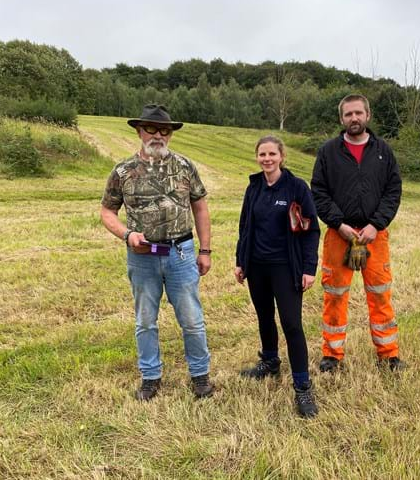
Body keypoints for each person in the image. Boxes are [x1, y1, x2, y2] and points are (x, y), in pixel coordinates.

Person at [100, 104, 215, 401]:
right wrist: (127, 235)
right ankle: (150, 377)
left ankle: (200, 376)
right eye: (151, 129)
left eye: (164, 130)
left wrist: (204, 250)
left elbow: (200, 207)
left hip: (181, 252)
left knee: (191, 319)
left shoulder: (185, 167)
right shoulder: (123, 171)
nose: (157, 135)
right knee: (145, 321)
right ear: (139, 131)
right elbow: (107, 211)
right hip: (142, 258)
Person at [311, 94, 406, 373]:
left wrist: (376, 225)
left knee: (379, 294)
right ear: (341, 119)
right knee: (335, 295)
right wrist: (339, 224)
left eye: (358, 113)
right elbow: (319, 192)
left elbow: (393, 191)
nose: (354, 118)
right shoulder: (328, 152)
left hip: (375, 235)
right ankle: (332, 354)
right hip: (338, 235)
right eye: (348, 114)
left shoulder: (383, 151)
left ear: (368, 116)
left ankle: (388, 354)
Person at [235, 135, 321, 418]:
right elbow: (245, 226)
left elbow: (311, 230)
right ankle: (270, 361)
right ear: (257, 157)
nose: (267, 159)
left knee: (292, 324)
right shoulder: (255, 186)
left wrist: (309, 268)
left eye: (272, 154)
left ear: (282, 156)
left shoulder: (296, 188)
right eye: (262, 154)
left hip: (286, 267)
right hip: (257, 266)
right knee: (263, 317)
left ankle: (302, 385)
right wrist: (241, 262)